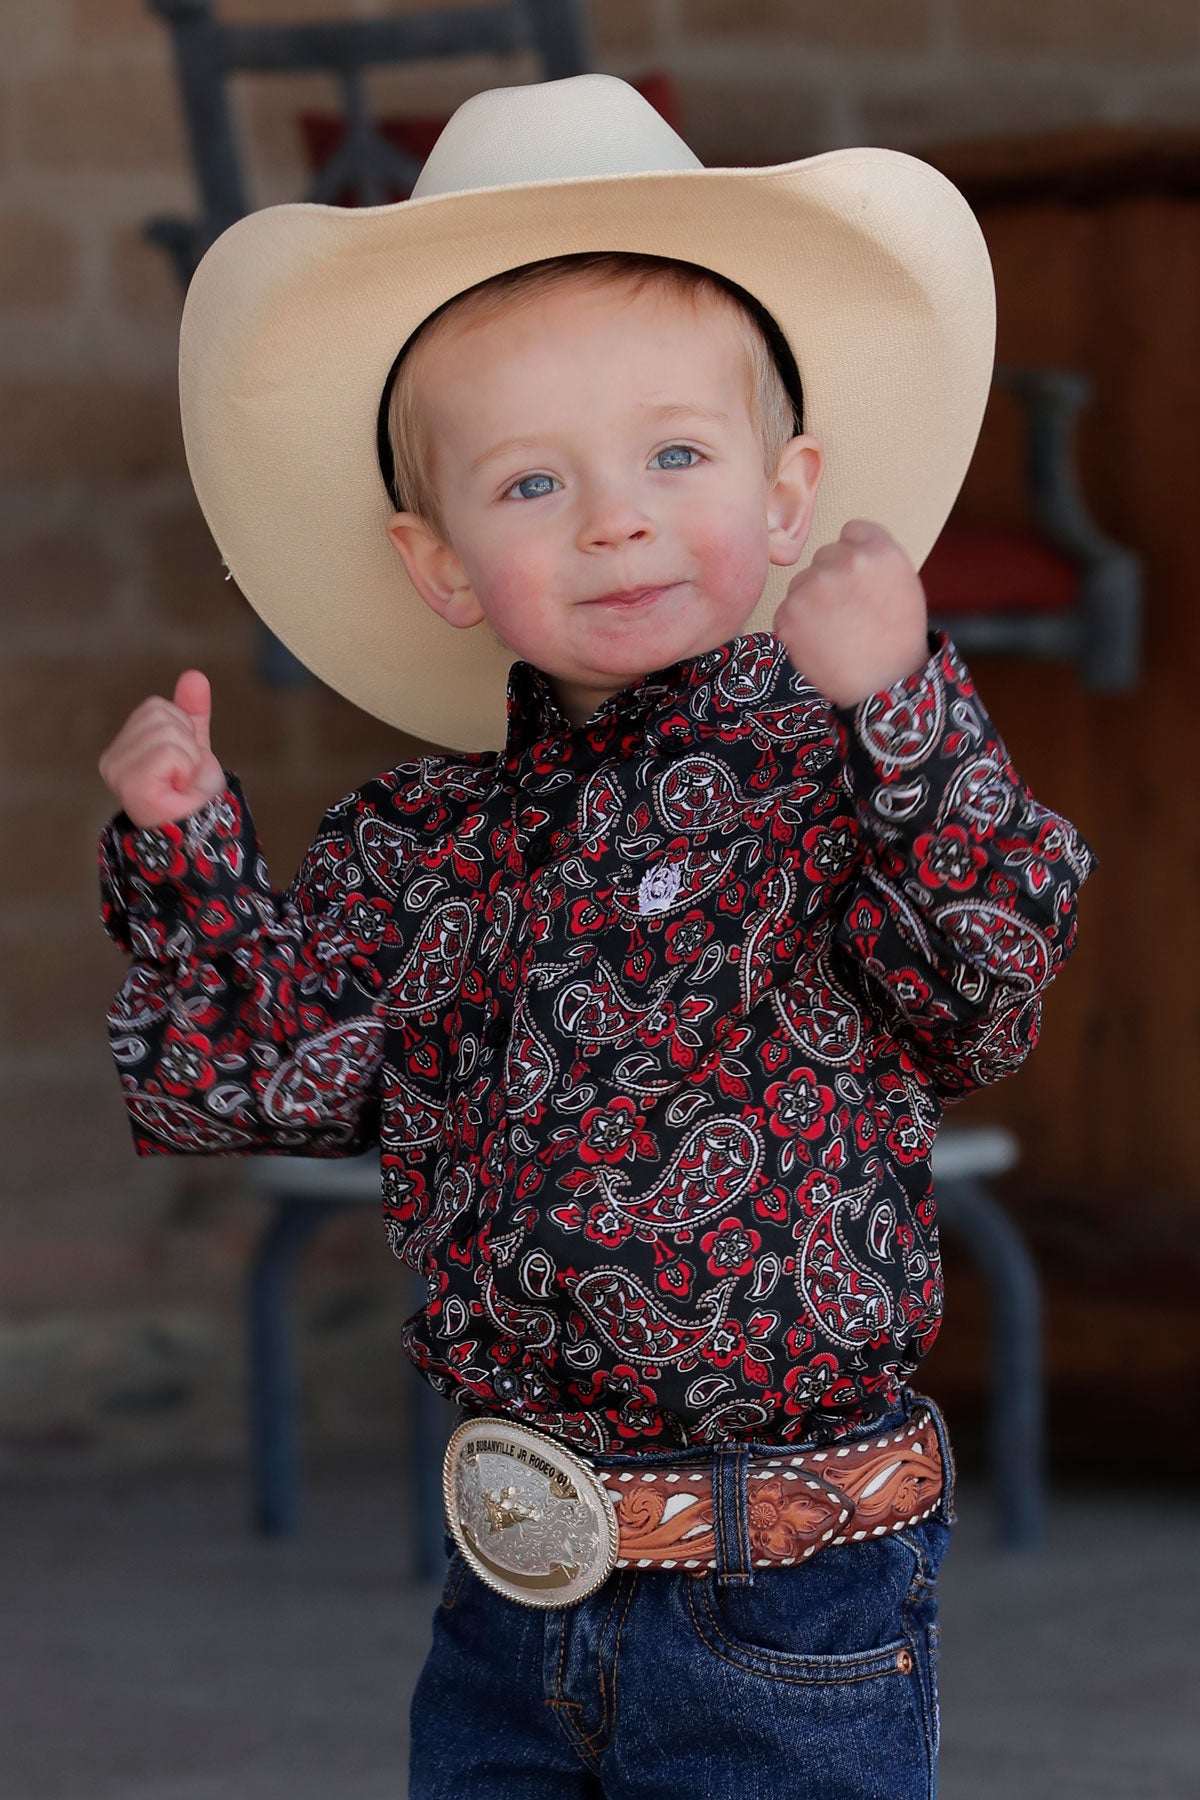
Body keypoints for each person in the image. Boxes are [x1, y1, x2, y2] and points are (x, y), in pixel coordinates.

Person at [97, 75, 1094, 1800]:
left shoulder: (837, 775)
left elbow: (987, 976)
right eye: (533, 480)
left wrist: (908, 711)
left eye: (676, 456)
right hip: (512, 1585)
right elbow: (258, 1079)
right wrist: (186, 853)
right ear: (441, 561)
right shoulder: (427, 843)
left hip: (785, 1597)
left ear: (789, 502)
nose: (613, 515)